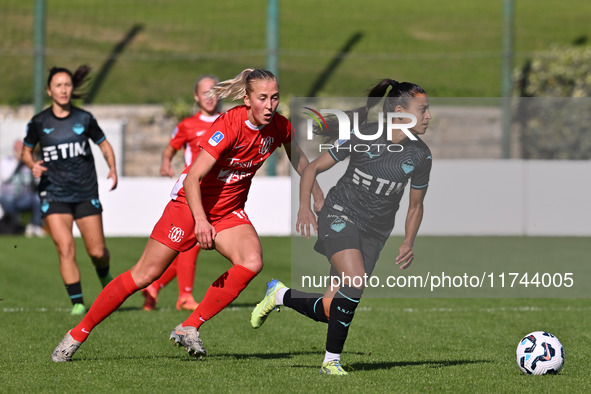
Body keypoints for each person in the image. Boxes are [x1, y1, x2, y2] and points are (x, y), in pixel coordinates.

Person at [51, 68, 324, 362]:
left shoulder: (279, 126)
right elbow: (193, 177)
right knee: (144, 275)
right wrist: (200, 220)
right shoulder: (229, 126)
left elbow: (298, 155)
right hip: (188, 206)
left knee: (252, 261)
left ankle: (189, 326)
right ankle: (77, 333)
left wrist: (316, 194)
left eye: (275, 98)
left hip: (228, 211)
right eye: (262, 98)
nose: (270, 105)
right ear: (246, 99)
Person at [250, 79, 433, 375]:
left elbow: (415, 206)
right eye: (422, 110)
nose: (428, 116)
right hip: (339, 213)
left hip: (376, 232)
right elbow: (312, 168)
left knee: (330, 308)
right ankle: (330, 361)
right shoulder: (364, 136)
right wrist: (305, 208)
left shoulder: (421, 155)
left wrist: (408, 241)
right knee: (356, 279)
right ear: (401, 111)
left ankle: (279, 295)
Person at [21, 65, 118, 315]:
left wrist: (112, 168)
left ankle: (104, 274)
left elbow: (104, 145)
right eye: (58, 85)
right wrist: (32, 165)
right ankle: (78, 302)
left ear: (72, 89)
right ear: (49, 90)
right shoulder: (39, 122)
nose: (64, 90)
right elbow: (26, 151)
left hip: (85, 193)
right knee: (65, 248)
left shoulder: (84, 119)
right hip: (53, 194)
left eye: (67, 85)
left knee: (97, 252)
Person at [142, 74, 221, 312]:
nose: (209, 97)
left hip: (217, 193)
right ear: (196, 97)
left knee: (189, 245)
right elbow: (170, 148)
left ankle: (154, 287)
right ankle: (184, 296)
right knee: (193, 242)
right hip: (194, 192)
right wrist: (166, 162)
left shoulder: (227, 121)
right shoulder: (187, 125)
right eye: (204, 92)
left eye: (214, 92)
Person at [0, 140, 44, 236]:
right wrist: (17, 162)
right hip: (10, 197)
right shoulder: (6, 161)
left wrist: (33, 165)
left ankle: (35, 225)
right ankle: (15, 225)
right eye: (18, 149)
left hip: (25, 198)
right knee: (8, 198)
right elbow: (5, 177)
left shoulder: (28, 163)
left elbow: (38, 182)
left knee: (38, 197)